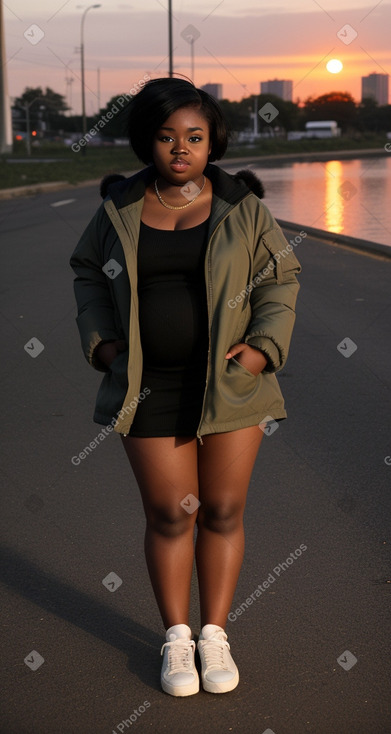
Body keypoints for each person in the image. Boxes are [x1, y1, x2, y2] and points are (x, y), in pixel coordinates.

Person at [69, 77, 301, 697]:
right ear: (147, 140)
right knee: (173, 513)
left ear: (211, 142)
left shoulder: (242, 208)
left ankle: (214, 633)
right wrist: (105, 344)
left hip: (230, 385)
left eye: (193, 137)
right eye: (167, 136)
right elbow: (87, 271)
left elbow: (281, 280)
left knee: (222, 510)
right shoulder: (117, 208)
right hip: (149, 385)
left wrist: (262, 349)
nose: (180, 149)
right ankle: (177, 637)